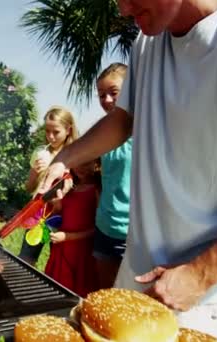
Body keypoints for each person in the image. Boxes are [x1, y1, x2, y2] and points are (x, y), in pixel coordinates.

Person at [39, 0, 217, 340]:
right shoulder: (148, 41)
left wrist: (202, 274)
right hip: (135, 286)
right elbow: (124, 119)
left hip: (210, 299)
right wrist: (66, 159)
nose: (122, 9)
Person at [19, 106, 79, 265]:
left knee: (58, 261)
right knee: (26, 258)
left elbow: (80, 188)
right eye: (47, 131)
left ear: (68, 129)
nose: (50, 137)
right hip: (38, 213)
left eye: (56, 132)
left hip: (61, 217)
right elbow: (29, 187)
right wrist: (36, 171)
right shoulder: (40, 152)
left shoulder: (76, 154)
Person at [93, 63, 132, 290]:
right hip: (104, 228)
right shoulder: (102, 137)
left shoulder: (145, 131)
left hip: (132, 234)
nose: (106, 99)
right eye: (101, 95)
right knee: (105, 295)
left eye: (113, 93)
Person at [44, 159, 100, 297]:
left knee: (80, 292)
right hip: (62, 249)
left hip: (83, 252)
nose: (81, 167)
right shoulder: (68, 187)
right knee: (59, 288)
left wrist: (68, 237)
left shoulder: (97, 190)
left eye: (86, 162)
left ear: (96, 164)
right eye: (78, 162)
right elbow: (58, 214)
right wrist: (57, 205)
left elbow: (98, 228)